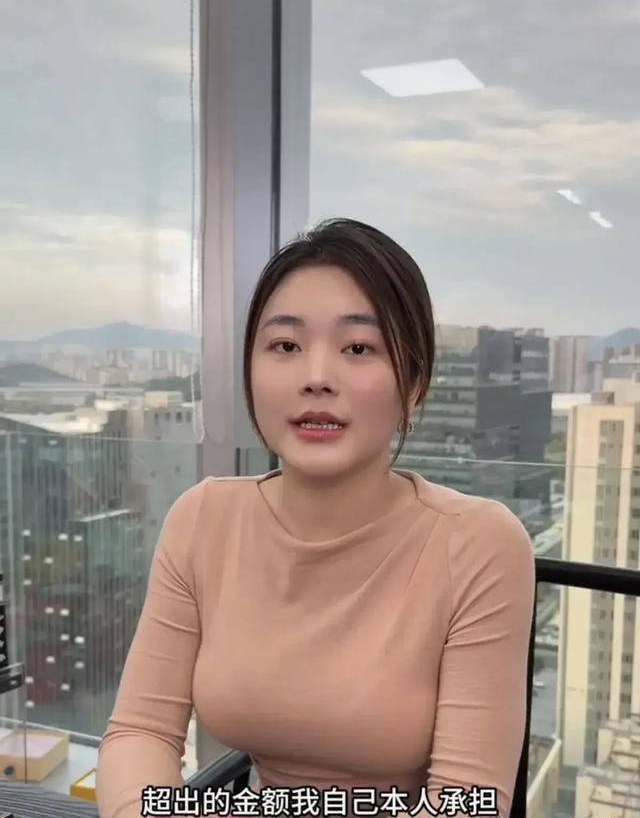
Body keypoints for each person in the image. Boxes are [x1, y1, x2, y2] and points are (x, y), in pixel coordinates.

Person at [95, 218, 536, 818]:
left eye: (358, 348)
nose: (316, 378)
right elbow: (140, 731)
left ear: (414, 385)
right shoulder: (204, 519)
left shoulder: (479, 543)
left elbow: (466, 803)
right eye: (286, 346)